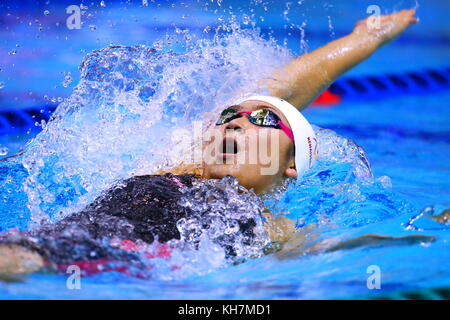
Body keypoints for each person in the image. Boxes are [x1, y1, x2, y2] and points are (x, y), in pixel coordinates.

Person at [1, 9, 430, 278]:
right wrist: (364, 39)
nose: (235, 123)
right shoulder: (181, 166)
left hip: (117, 268)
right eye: (228, 116)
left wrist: (435, 227)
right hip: (52, 246)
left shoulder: (275, 227)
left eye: (262, 119)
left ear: (291, 164)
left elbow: (343, 250)